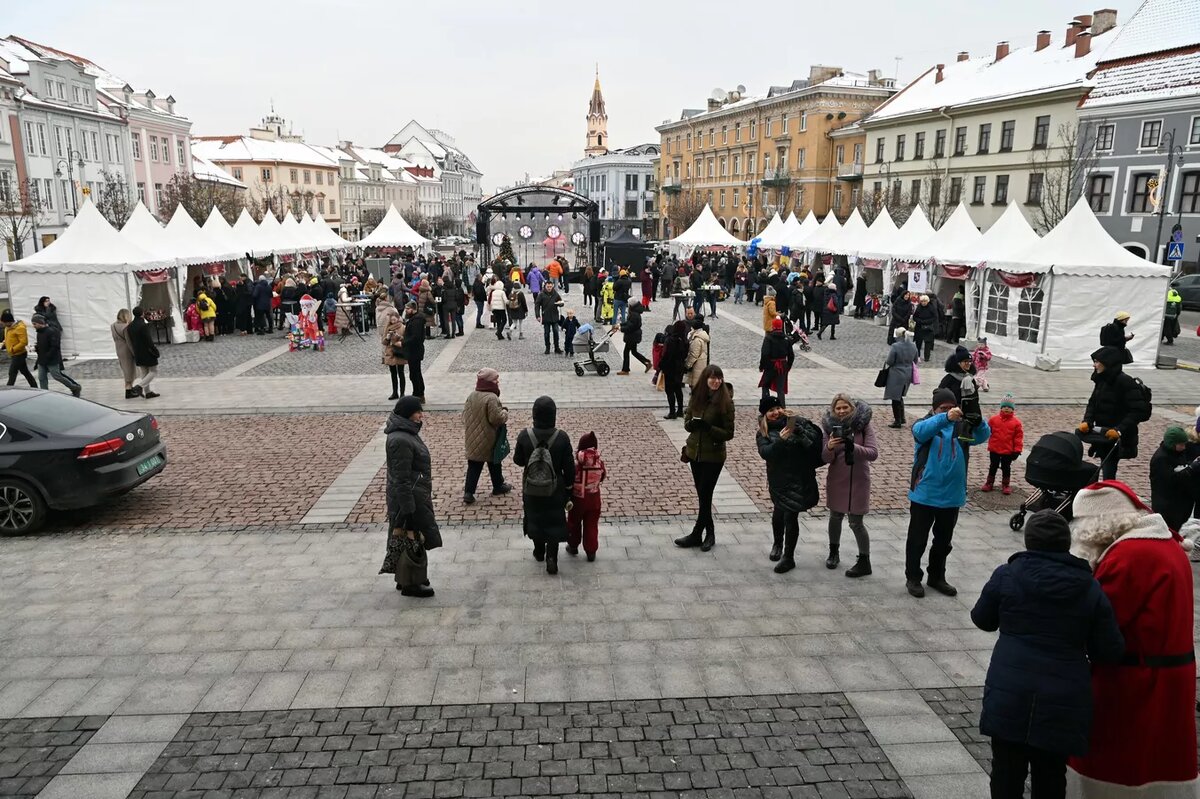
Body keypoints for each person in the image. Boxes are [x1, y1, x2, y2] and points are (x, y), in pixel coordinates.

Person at [971, 509, 1125, 799]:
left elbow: (982, 619)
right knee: (1051, 775)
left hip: (1009, 691)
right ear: (1066, 543)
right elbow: (1109, 649)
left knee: (1006, 772)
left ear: (1029, 542)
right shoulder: (1089, 587)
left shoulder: (1007, 574)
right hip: (1063, 697)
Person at [1066, 481, 1198, 797]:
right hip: (1168, 672)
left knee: (1119, 760)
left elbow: (1101, 620)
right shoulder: (1165, 543)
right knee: (1161, 757)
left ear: (1100, 523)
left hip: (1137, 677)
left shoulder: (1129, 555)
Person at [904, 388, 990, 598]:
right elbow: (919, 432)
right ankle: (913, 577)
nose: (949, 410)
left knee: (943, 541)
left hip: (952, 495)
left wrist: (978, 422)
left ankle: (937, 576)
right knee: (917, 540)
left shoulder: (962, 427)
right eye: (943, 408)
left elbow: (982, 436)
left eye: (952, 407)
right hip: (925, 493)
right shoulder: (926, 424)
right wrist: (945, 418)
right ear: (935, 409)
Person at [381, 396, 441, 598]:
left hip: (413, 493)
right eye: (417, 411)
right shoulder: (401, 439)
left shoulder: (407, 433)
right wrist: (408, 507)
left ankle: (406, 577)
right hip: (408, 497)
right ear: (408, 414)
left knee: (409, 536)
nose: (421, 415)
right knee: (410, 537)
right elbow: (401, 478)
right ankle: (411, 583)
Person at [756, 397, 823, 573]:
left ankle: (788, 557)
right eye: (771, 410)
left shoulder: (798, 422)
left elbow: (815, 443)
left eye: (778, 408)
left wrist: (800, 431)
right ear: (765, 414)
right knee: (779, 512)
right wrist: (780, 441)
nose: (776, 412)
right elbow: (766, 453)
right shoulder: (763, 432)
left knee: (791, 516)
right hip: (779, 480)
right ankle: (777, 543)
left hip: (800, 478)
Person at [675, 365, 735, 553]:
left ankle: (699, 533)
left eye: (719, 378)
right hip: (695, 452)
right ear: (705, 379)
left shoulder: (725, 401)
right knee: (703, 495)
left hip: (714, 455)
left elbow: (729, 433)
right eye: (712, 378)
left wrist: (710, 428)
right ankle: (707, 534)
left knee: (705, 493)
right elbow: (686, 423)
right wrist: (692, 424)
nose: (716, 381)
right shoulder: (696, 396)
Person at [513, 396, 574, 575]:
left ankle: (539, 551)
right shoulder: (562, 437)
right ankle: (552, 557)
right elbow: (569, 467)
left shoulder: (525, 436)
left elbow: (518, 460)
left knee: (535, 518)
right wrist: (569, 488)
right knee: (553, 520)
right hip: (555, 488)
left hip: (531, 487)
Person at [821, 394, 878, 577]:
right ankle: (833, 552)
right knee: (835, 516)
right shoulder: (829, 427)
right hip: (837, 479)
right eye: (838, 408)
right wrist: (830, 447)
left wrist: (853, 446)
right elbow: (825, 458)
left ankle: (864, 560)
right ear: (833, 410)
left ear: (852, 408)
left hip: (859, 480)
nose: (841, 411)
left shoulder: (864, 426)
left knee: (856, 523)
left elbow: (873, 453)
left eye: (845, 407)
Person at [1080, 345, 1150, 482]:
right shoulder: (1101, 379)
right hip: (1102, 433)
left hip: (1117, 436)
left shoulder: (1125, 382)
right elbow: (1093, 403)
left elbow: (1138, 411)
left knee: (1109, 468)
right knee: (1106, 465)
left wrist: (1119, 430)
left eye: (1097, 362)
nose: (1094, 365)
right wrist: (1087, 421)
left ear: (1107, 363)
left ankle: (1108, 489)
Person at [462, 368, 513, 504]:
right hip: (489, 438)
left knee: (474, 464)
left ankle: (469, 492)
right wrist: (505, 412)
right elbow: (496, 419)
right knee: (494, 461)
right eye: (495, 380)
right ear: (489, 381)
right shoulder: (491, 398)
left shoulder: (472, 395)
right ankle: (498, 485)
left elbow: (465, 416)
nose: (497, 382)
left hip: (472, 438)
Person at [1149, 426, 1200, 531]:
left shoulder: (1178, 453)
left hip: (1180, 505)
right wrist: (1191, 468)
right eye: (1181, 445)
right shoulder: (1161, 459)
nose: (1184, 447)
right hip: (1167, 507)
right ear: (1172, 444)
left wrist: (1191, 464)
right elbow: (1171, 480)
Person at [567, 431, 606, 562]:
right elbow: (603, 476)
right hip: (594, 499)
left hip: (578, 499)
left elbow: (570, 478)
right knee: (591, 525)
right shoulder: (599, 463)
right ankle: (591, 551)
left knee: (574, 523)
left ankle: (573, 546)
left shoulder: (577, 465)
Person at [31, 313, 82, 397]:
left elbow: (55, 346)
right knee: (41, 378)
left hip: (52, 359)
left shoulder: (51, 331)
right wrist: (36, 348)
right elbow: (41, 346)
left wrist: (48, 356)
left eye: (34, 324)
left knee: (57, 376)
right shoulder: (39, 333)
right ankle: (44, 394)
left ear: (40, 323)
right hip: (42, 360)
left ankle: (74, 387)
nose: (33, 326)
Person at [983, 395, 1024, 495]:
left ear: (1012, 409)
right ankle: (989, 482)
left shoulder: (1016, 423)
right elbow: (987, 431)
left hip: (1008, 451)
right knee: (993, 466)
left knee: (1006, 468)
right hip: (994, 449)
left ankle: (1006, 484)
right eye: (1004, 406)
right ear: (1001, 407)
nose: (1006, 408)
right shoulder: (993, 420)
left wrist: (1017, 450)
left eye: (1009, 407)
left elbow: (1018, 438)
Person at [884, 328, 918, 428]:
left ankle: (897, 421)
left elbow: (890, 361)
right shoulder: (913, 346)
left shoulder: (895, 346)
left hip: (896, 374)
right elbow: (915, 360)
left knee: (895, 398)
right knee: (900, 396)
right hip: (908, 373)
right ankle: (902, 418)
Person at [758, 317, 793, 407]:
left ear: (773, 326)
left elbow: (765, 353)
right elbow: (791, 355)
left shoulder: (769, 338)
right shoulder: (787, 339)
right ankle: (782, 407)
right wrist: (788, 366)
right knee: (780, 389)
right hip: (783, 365)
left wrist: (762, 366)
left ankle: (766, 407)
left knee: (765, 385)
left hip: (771, 365)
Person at [377, 298, 407, 401]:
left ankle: (402, 393)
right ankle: (395, 392)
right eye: (391, 320)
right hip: (390, 352)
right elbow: (384, 342)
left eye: (394, 320)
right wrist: (387, 338)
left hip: (399, 352)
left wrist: (397, 336)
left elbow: (405, 340)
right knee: (393, 373)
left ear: (398, 319)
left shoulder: (403, 327)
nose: (393, 321)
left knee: (401, 373)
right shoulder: (387, 327)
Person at [660, 320, 689, 420]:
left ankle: (672, 412)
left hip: (670, 367)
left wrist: (661, 365)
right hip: (680, 367)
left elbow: (666, 355)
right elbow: (685, 355)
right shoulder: (685, 341)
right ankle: (680, 410)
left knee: (669, 390)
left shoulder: (670, 340)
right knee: (678, 389)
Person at [2, 310, 37, 388]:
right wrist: (3, 343)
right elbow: (8, 338)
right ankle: (35, 387)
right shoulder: (7, 328)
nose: (2, 324)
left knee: (12, 373)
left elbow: (24, 342)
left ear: (8, 322)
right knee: (25, 372)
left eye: (3, 323)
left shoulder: (20, 328)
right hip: (14, 354)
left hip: (19, 354)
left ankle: (8, 389)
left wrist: (13, 349)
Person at [616, 301, 650, 375]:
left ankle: (625, 370)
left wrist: (621, 328)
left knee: (626, 352)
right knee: (634, 352)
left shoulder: (634, 314)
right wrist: (620, 324)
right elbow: (629, 323)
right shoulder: (635, 313)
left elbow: (630, 327)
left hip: (632, 336)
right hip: (633, 336)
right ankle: (646, 362)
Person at [401, 301, 426, 402]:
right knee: (415, 373)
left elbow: (415, 337)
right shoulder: (414, 319)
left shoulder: (417, 321)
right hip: (413, 350)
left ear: (413, 309)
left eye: (407, 309)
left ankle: (418, 393)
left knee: (415, 374)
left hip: (414, 350)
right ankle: (418, 392)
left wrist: (403, 342)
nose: (406, 311)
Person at [109, 309, 137, 396]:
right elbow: (129, 342)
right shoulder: (126, 327)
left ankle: (129, 388)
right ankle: (128, 390)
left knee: (125, 369)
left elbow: (114, 338)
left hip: (119, 349)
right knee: (130, 371)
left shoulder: (113, 326)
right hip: (127, 351)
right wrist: (134, 353)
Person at [684, 316, 710, 390]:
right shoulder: (703, 335)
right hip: (702, 362)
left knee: (695, 384)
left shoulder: (697, 339)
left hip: (696, 365)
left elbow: (694, 354)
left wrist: (688, 365)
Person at [537, 282, 563, 354]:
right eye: (548, 287)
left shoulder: (555, 294)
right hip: (546, 316)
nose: (549, 288)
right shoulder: (541, 294)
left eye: (550, 287)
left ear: (552, 287)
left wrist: (561, 304)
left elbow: (560, 301)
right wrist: (538, 315)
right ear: (545, 287)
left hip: (554, 316)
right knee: (546, 333)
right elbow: (537, 305)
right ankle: (547, 348)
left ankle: (557, 347)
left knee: (556, 332)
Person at [912, 294, 938, 362]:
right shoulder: (919, 307)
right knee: (918, 343)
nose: (923, 303)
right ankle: (918, 356)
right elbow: (914, 317)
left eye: (925, 301)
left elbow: (934, 317)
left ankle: (927, 357)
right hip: (919, 327)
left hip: (928, 328)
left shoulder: (931, 307)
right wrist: (920, 321)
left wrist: (927, 321)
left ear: (927, 301)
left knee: (928, 343)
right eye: (922, 301)